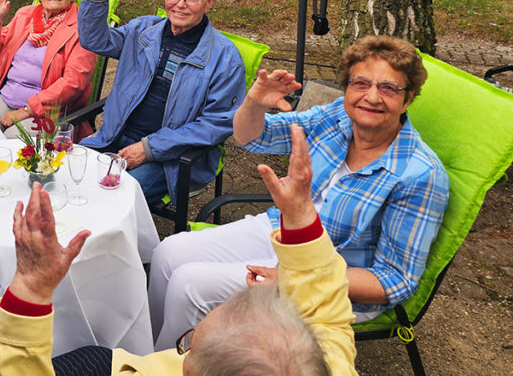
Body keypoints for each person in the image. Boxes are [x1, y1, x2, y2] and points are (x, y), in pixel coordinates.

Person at [0, 124, 358, 375]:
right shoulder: (327, 364)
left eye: (186, 344)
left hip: (165, 158)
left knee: (93, 354)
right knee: (169, 252)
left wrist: (30, 287)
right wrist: (300, 218)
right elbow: (327, 317)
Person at [147, 35, 449, 351]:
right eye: (360, 83)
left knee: (189, 286)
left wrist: (297, 280)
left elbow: (395, 280)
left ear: (408, 99)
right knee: (168, 253)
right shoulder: (337, 116)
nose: (371, 97)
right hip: (281, 229)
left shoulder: (419, 175)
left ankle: (169, 365)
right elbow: (253, 136)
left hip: (331, 273)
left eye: (389, 88)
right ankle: (148, 353)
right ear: (347, 88)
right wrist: (254, 104)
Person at [76, 0, 246, 203]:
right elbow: (94, 40)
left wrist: (149, 148)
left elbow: (217, 123)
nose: (180, 5)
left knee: (112, 199)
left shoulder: (225, 58)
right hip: (113, 137)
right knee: (69, 176)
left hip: (171, 158)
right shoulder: (143, 30)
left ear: (209, 2)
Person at [0, 0, 96, 138]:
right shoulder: (24, 15)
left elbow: (74, 83)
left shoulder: (83, 28)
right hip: (8, 96)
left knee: (13, 139)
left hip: (51, 111)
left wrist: (26, 110)